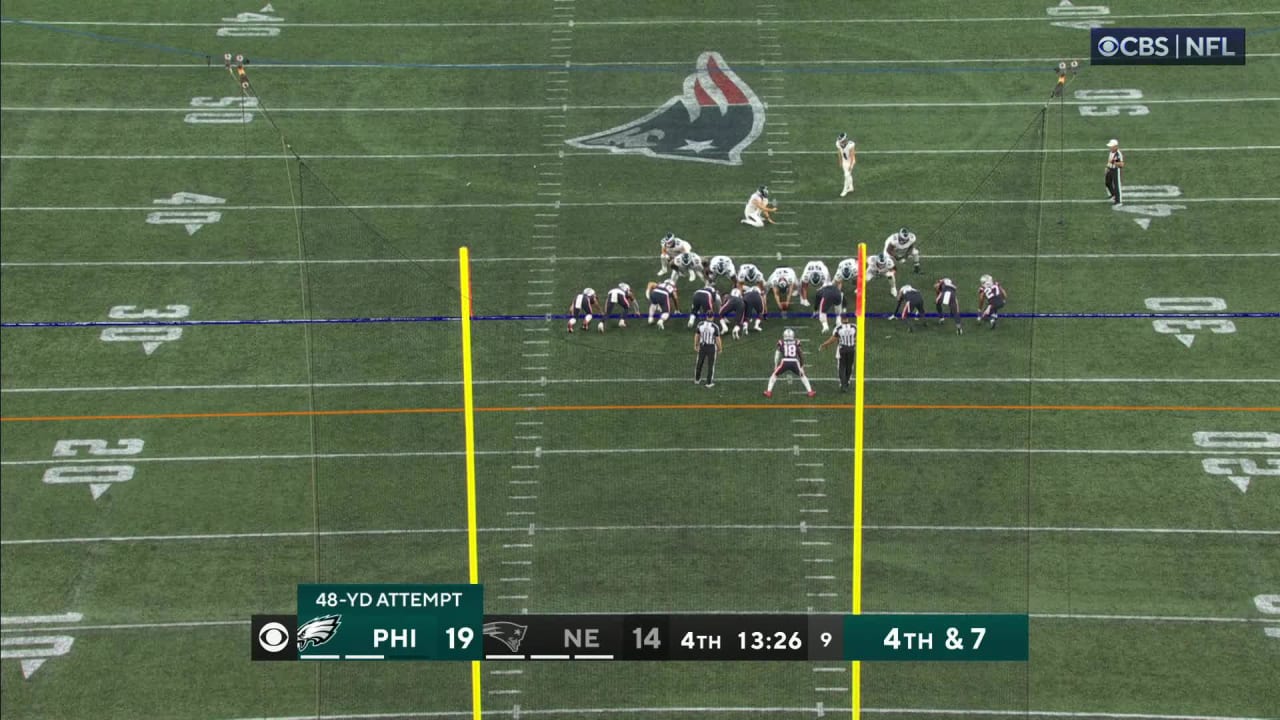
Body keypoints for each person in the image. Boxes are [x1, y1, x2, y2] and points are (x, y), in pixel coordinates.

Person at [764, 328, 814, 398]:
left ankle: (768, 392)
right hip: (795, 362)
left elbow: (777, 355)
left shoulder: (781, 342)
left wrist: (775, 365)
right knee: (803, 376)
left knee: (774, 375)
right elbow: (800, 354)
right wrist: (802, 366)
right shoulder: (796, 341)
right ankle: (810, 392)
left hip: (784, 361)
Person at [819, 314, 858, 392]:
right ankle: (846, 382)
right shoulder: (854, 326)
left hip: (842, 350)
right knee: (849, 366)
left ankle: (843, 384)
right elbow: (857, 337)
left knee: (841, 367)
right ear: (847, 318)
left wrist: (824, 345)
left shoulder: (838, 328)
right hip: (851, 349)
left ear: (841, 319)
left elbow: (832, 339)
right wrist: (854, 342)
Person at [693, 316, 722, 387]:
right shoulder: (715, 326)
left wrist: (695, 345)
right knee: (710, 365)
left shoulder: (700, 324)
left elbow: (697, 335)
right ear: (712, 317)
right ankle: (709, 383)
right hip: (711, 347)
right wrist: (720, 348)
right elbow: (718, 339)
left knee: (699, 363)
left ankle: (697, 379)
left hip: (702, 346)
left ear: (706, 316)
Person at [1105, 139, 1124, 206]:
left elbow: (1122, 164)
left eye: (1111, 146)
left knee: (1117, 185)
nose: (1110, 148)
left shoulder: (1118, 154)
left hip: (1116, 170)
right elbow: (1109, 161)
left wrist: (1115, 163)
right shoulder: (1111, 152)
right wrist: (1107, 167)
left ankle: (1119, 201)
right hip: (1110, 169)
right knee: (1107, 182)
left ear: (1115, 146)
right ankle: (1113, 195)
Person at [837, 132, 857, 197]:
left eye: (842, 141)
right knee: (848, 175)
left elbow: (852, 156)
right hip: (844, 161)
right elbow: (839, 152)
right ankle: (851, 187)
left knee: (846, 175)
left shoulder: (850, 145)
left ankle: (845, 190)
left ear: (845, 140)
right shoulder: (838, 143)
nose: (840, 142)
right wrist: (840, 161)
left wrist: (851, 165)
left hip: (850, 161)